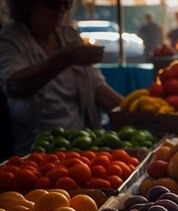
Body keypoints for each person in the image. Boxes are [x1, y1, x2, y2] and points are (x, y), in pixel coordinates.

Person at [0, 0, 122, 155]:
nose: (60, 10)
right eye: (52, 3)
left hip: (84, 146)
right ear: (28, 5)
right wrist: (63, 59)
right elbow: (14, 86)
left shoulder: (68, 35)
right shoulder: (11, 39)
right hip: (37, 151)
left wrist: (136, 111)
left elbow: (97, 88)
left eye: (66, 3)